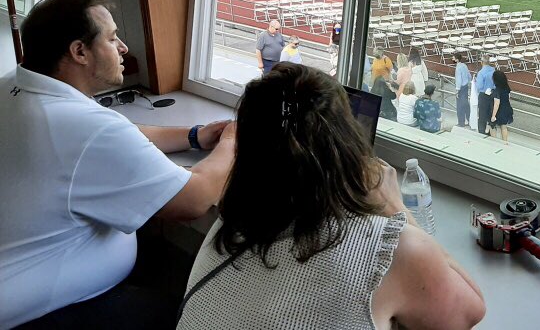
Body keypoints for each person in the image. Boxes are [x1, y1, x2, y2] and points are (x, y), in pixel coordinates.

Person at [176, 64, 485, 330]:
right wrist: (396, 210)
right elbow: (469, 313)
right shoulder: (388, 250)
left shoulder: (230, 224)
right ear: (349, 142)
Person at [0, 0, 235, 330]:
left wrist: (194, 135)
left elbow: (120, 132)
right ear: (79, 51)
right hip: (42, 314)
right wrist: (233, 141)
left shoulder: (15, 87)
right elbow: (195, 200)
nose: (124, 47)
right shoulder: (83, 128)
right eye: (111, 39)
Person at [489, 70, 514, 144]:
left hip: (499, 110)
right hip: (506, 108)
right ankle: (505, 143)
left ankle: (494, 142)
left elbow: (497, 104)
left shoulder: (497, 90)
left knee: (492, 126)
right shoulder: (506, 87)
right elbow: (508, 97)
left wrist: (493, 116)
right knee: (504, 127)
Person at [474, 55, 496, 135]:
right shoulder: (493, 70)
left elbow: (479, 86)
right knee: (491, 113)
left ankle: (482, 132)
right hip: (492, 94)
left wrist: (475, 81)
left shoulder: (481, 73)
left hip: (483, 95)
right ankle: (491, 131)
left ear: (481, 62)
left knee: (482, 115)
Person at [453, 53, 472, 128]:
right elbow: (469, 76)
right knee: (466, 105)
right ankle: (469, 120)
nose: (452, 59)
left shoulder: (458, 68)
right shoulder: (464, 65)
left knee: (460, 106)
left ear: (457, 59)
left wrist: (457, 90)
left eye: (453, 58)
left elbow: (458, 80)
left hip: (460, 88)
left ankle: (461, 122)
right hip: (465, 87)